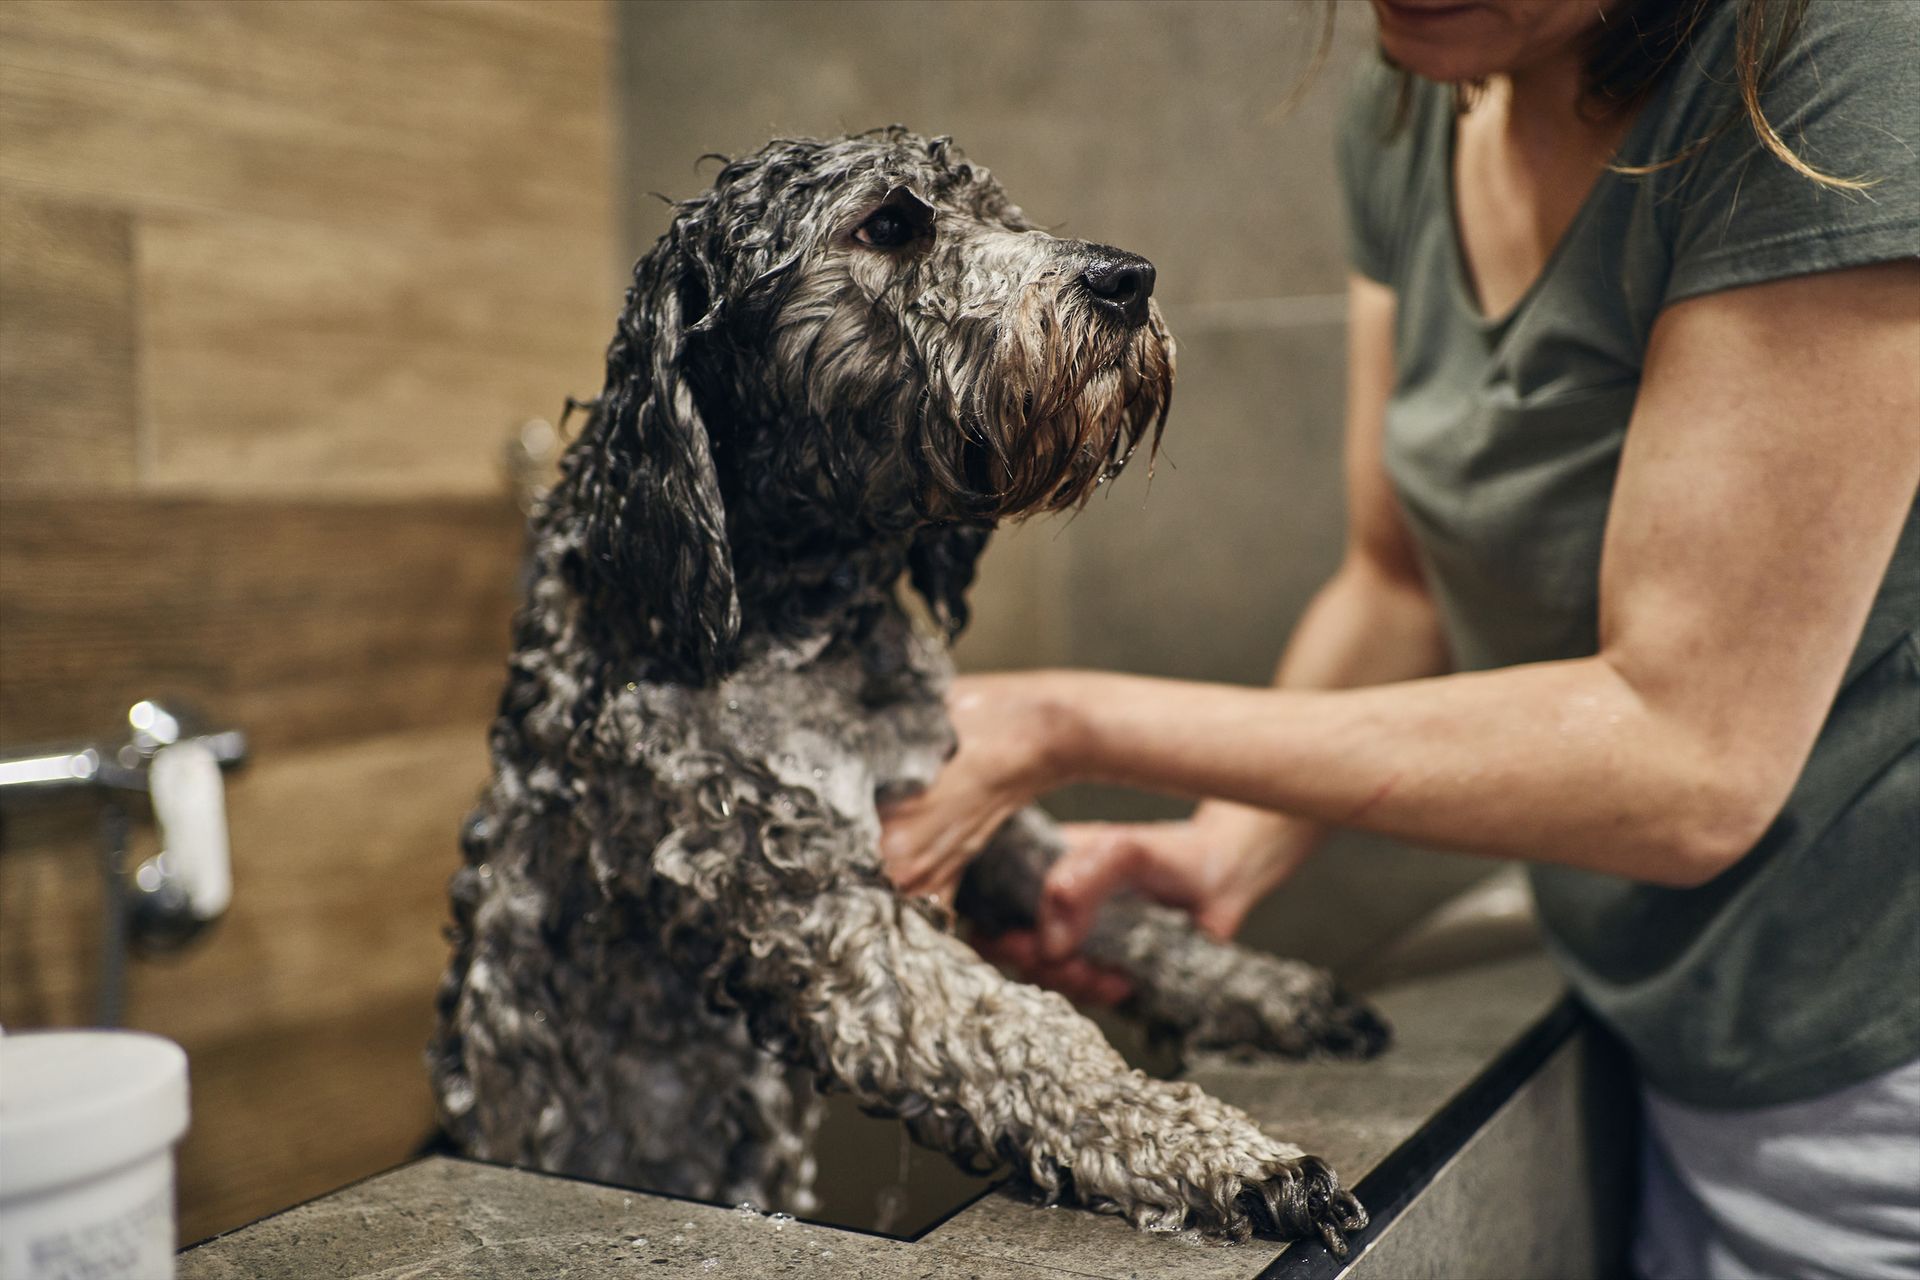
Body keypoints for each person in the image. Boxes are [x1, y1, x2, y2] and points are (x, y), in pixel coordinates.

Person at [878, 0, 1920, 1275]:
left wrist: (1059, 721)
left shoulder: (1849, 66)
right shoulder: (1433, 81)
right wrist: (1229, 844)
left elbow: (1691, 756)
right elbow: (1399, 577)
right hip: (1679, 1025)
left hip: (1879, 1081)